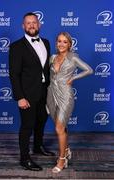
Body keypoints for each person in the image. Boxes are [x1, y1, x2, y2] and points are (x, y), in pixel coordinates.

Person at [9, 12, 54, 171]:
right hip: (27, 94)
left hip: (44, 91)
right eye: (28, 23)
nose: (31, 25)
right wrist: (20, 97)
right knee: (27, 126)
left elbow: (46, 69)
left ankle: (38, 147)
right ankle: (24, 158)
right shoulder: (16, 46)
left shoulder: (47, 43)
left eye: (34, 22)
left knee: (41, 121)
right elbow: (14, 74)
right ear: (23, 26)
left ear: (39, 24)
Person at [47, 32, 93, 173]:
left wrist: (74, 77)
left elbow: (89, 70)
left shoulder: (73, 57)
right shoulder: (52, 58)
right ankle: (66, 150)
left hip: (65, 95)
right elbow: (49, 78)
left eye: (65, 42)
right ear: (56, 43)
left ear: (70, 44)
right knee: (60, 126)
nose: (61, 44)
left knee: (59, 128)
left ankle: (61, 159)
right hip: (51, 94)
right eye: (59, 41)